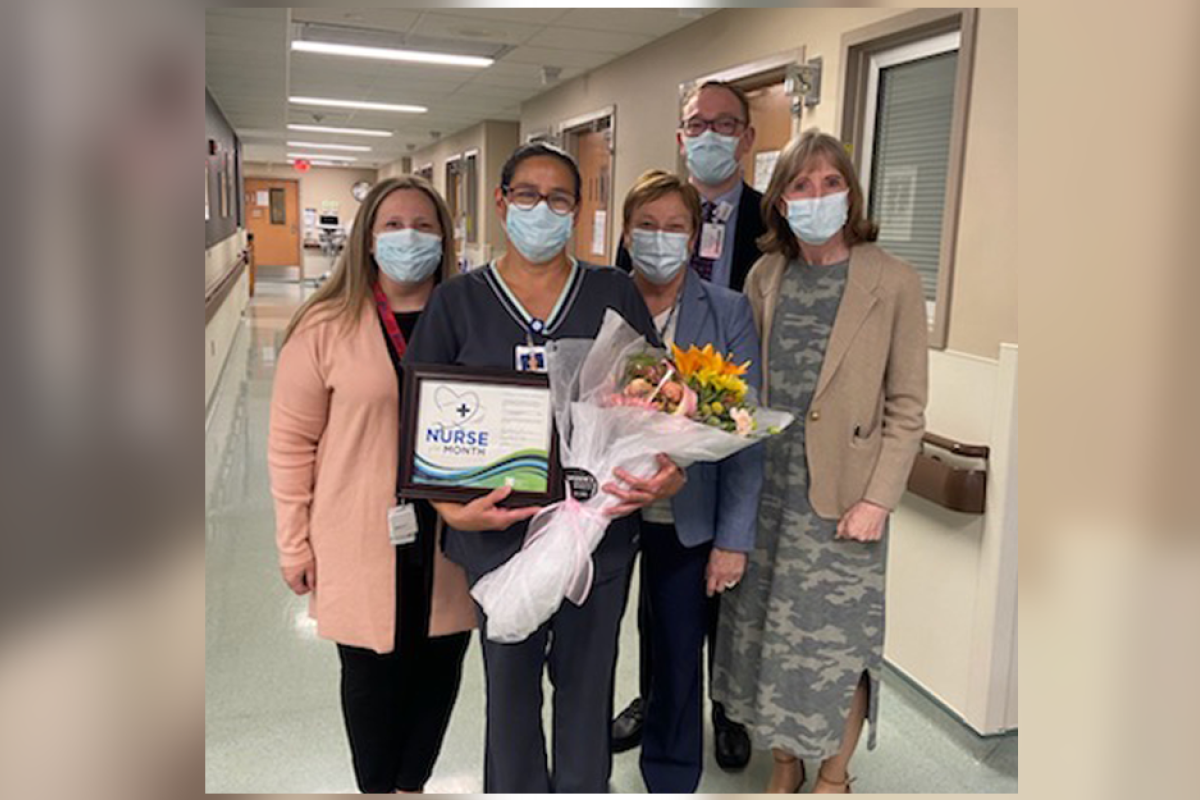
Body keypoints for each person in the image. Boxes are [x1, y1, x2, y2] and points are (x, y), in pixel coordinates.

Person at [403, 142, 687, 793]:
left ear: (578, 210)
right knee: (509, 697)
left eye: (559, 198)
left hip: (598, 534)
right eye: (526, 195)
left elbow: (659, 401)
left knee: (588, 696)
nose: (542, 209)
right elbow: (419, 420)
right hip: (498, 536)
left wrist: (671, 469)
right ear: (501, 203)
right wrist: (449, 510)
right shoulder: (458, 302)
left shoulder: (612, 291)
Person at [711, 130, 929, 793]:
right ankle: (785, 763)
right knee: (767, 640)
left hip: (845, 500)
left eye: (830, 183)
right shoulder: (765, 275)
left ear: (851, 192)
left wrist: (879, 500)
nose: (817, 197)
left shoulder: (891, 280)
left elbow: (908, 405)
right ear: (779, 201)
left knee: (838, 648)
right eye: (801, 185)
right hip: (767, 494)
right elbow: (742, 387)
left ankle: (834, 775)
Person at [268, 176, 476, 794]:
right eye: (392, 225)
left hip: (453, 539)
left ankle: (411, 787)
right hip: (359, 536)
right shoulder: (325, 326)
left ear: (444, 238)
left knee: (439, 671)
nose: (408, 236)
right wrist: (293, 544)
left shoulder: (471, 320)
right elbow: (290, 444)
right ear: (367, 239)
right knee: (370, 681)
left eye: (424, 225)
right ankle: (377, 788)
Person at [611, 78, 764, 771]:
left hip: (687, 513)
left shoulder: (728, 310)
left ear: (696, 235)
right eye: (647, 226)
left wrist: (733, 541)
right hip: (607, 507)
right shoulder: (601, 300)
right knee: (589, 648)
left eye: (676, 227)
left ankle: (670, 777)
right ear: (625, 232)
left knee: (678, 653)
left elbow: (743, 433)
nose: (661, 239)